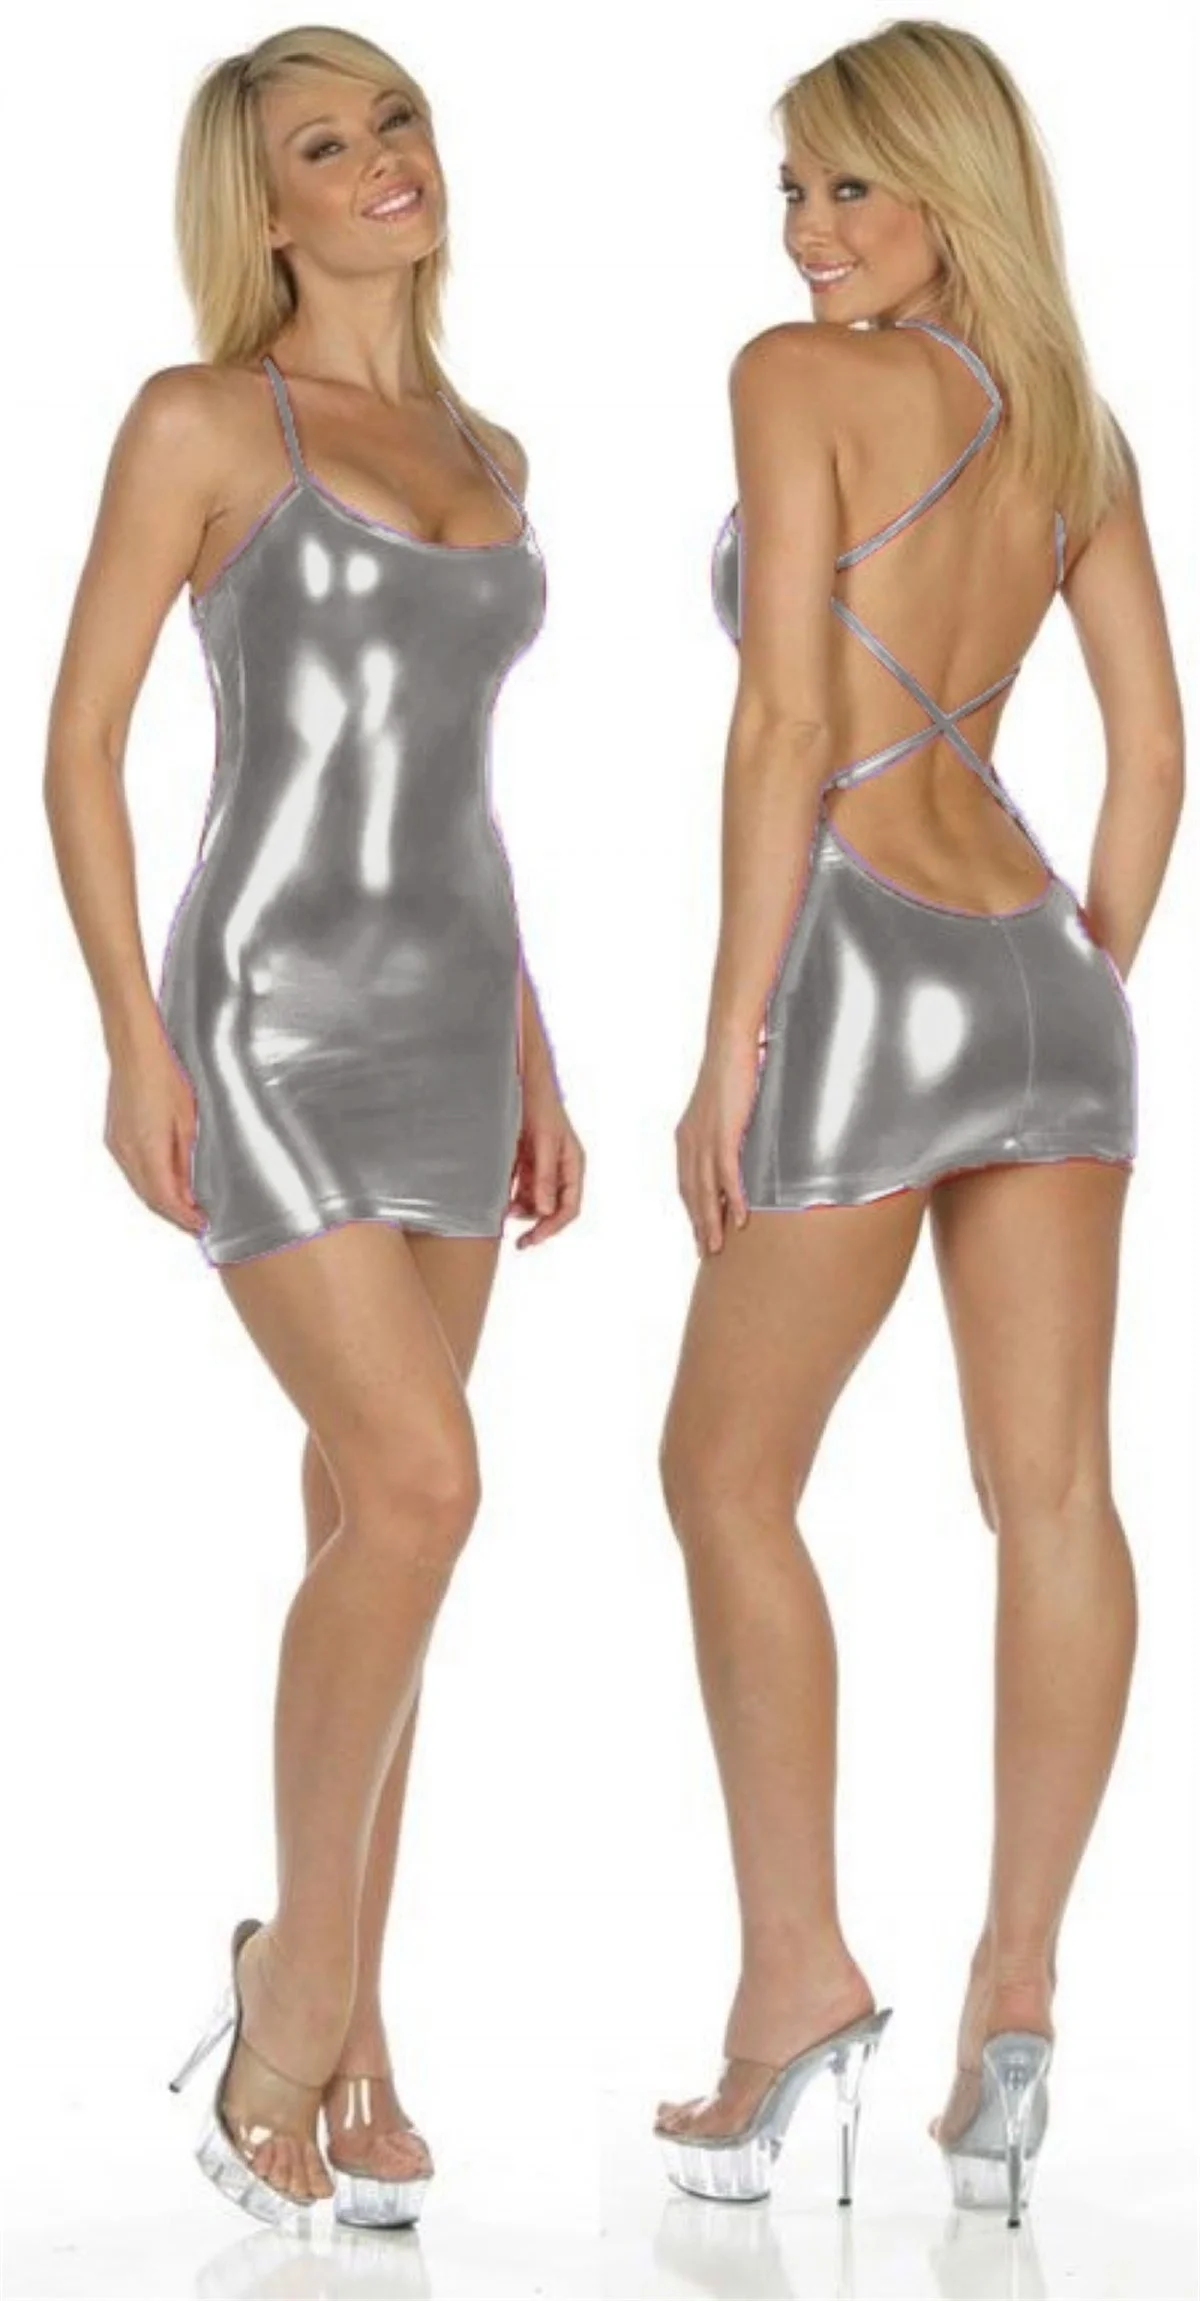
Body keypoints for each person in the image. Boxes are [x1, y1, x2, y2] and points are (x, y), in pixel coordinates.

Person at [43, 25, 583, 2236]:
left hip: (459, 1020)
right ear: (261, 209)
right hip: (267, 1012)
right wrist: (129, 1038)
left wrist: (535, 1043)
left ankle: (361, 2021)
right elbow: (80, 748)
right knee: (427, 1486)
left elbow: (458, 789)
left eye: (399, 120)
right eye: (330, 145)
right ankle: (292, 1993)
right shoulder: (202, 419)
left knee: (379, 1520)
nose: (385, 162)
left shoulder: (483, 445)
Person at [652, 19, 1183, 2226]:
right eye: (790, 189)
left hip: (862, 967)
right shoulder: (1074, 428)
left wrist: (733, 1037)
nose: (807, 232)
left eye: (850, 184)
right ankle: (1016, 1996)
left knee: (722, 1473)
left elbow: (787, 720)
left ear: (953, 184)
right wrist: (1076, 980)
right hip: (1048, 978)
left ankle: (795, 1980)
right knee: (1051, 1491)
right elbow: (1154, 754)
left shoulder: (797, 384)